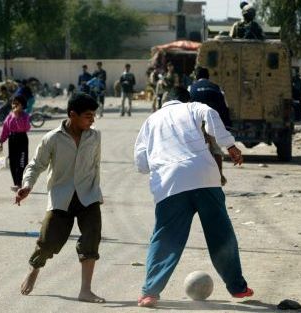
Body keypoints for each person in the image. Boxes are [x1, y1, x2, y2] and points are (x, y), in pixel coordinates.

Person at [134, 87, 253, 308]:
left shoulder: (150, 121)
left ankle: (150, 292)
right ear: (186, 99)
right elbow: (210, 114)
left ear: (166, 101)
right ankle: (237, 287)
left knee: (165, 238)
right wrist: (230, 145)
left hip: (169, 183)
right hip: (204, 177)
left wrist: (164, 160)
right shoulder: (193, 107)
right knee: (221, 233)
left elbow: (141, 162)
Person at [16, 93, 105, 303]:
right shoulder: (53, 138)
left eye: (94, 116)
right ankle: (34, 270)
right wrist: (27, 185)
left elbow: (96, 165)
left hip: (88, 196)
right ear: (72, 115)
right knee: (48, 243)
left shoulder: (95, 136)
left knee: (91, 240)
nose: (92, 120)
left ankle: (85, 290)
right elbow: (36, 164)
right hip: (61, 197)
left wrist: (97, 192)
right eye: (88, 116)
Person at [189, 67, 232, 185]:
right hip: (213, 122)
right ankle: (220, 176)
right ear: (208, 76)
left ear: (196, 77)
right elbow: (224, 107)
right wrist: (227, 125)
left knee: (194, 149)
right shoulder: (216, 88)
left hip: (197, 124)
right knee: (216, 149)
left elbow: (186, 108)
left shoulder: (191, 88)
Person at [0, 95, 31, 191]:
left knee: (21, 161)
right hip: (12, 139)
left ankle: (20, 183)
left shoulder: (25, 116)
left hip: (22, 138)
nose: (15, 105)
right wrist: (1, 142)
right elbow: (5, 129)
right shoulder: (9, 116)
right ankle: (16, 183)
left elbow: (26, 128)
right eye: (13, 103)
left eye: (17, 104)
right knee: (13, 162)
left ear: (22, 105)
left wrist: (17, 116)